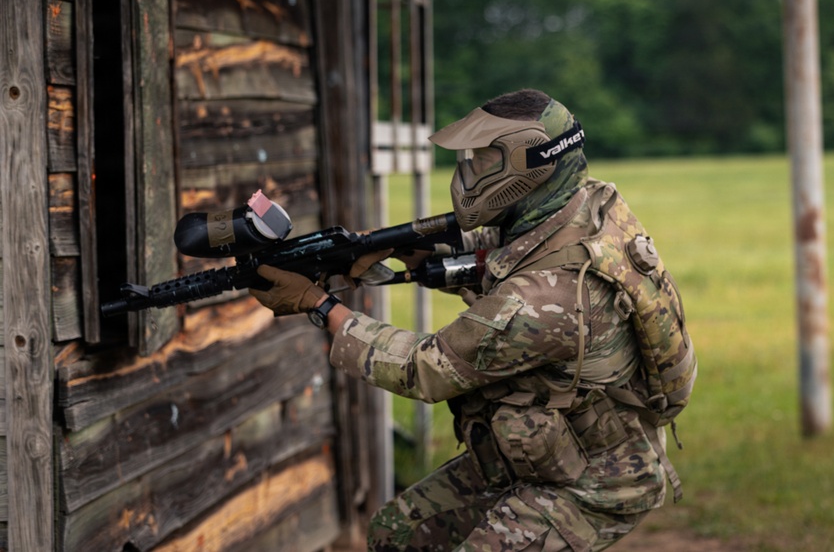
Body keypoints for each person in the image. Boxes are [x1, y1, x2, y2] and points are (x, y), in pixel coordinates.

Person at [251, 89, 696, 551]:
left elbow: (424, 368)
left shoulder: (547, 300)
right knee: (398, 534)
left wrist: (319, 305)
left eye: (483, 160)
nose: (467, 172)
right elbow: (509, 251)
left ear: (528, 168)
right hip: (545, 451)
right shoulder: (587, 203)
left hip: (595, 484)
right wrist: (401, 251)